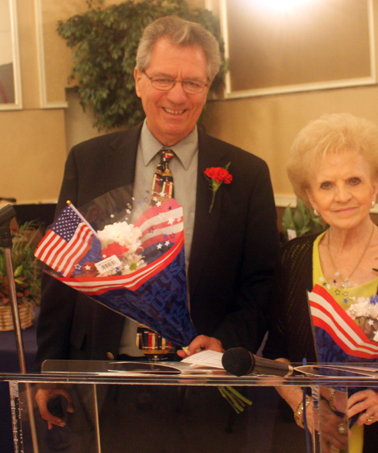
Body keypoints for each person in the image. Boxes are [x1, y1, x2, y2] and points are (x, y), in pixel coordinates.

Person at [35, 15, 279, 435]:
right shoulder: (87, 161)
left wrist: (224, 340)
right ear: (138, 80)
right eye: (164, 78)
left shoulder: (247, 173)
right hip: (104, 383)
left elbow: (260, 282)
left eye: (194, 83)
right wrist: (50, 367)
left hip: (205, 389)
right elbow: (63, 272)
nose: (178, 96)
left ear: (208, 87)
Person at [264, 113, 378, 453]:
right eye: (326, 185)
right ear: (309, 196)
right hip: (316, 436)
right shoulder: (293, 259)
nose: (341, 196)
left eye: (354, 181)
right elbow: (277, 356)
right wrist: (302, 406)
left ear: (375, 186)